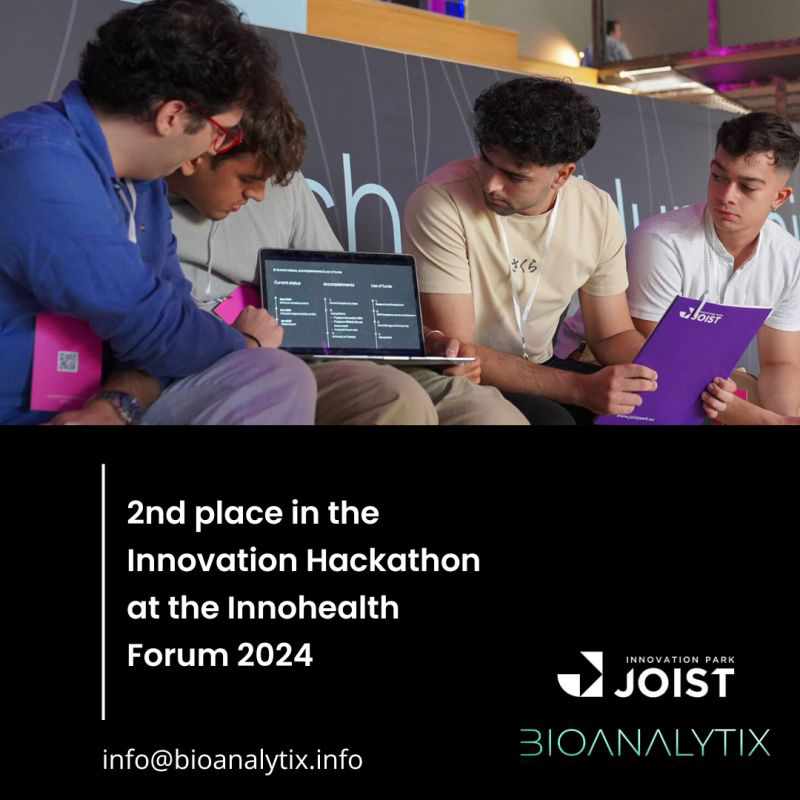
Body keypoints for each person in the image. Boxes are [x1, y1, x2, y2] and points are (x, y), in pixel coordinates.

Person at [0, 0, 315, 426]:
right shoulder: (36, 163)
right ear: (172, 116)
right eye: (221, 135)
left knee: (277, 377)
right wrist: (246, 344)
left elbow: (165, 335)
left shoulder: (144, 187)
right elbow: (148, 321)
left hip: (87, 406)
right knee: (270, 371)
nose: (211, 149)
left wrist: (115, 407)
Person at [166, 89, 528, 425]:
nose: (260, 194)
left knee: (489, 413)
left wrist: (427, 342)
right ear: (203, 149)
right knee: (396, 399)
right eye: (248, 178)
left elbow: (344, 294)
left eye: (268, 179)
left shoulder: (281, 185)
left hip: (320, 353)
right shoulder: (145, 205)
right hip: (231, 363)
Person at [403, 77, 657, 425]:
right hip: (468, 375)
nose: (492, 184)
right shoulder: (440, 201)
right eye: (486, 160)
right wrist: (581, 389)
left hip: (540, 366)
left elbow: (611, 335)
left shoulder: (597, 210)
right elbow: (461, 352)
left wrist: (668, 375)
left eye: (515, 176)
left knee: (651, 411)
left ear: (562, 175)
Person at [558, 112, 800, 425]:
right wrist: (767, 421)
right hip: (604, 366)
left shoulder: (789, 257)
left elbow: (781, 363)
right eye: (718, 176)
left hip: (704, 378)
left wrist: (786, 418)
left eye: (747, 187)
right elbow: (658, 363)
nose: (726, 196)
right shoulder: (663, 240)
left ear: (779, 197)